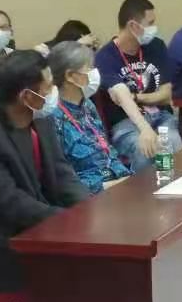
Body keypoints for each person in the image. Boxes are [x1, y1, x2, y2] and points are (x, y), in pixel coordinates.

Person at [0, 50, 88, 293]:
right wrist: (67, 221)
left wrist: (88, 209)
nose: (53, 92)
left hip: (38, 224)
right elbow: (10, 203)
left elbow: (61, 171)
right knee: (87, 275)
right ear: (27, 96)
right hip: (2, 245)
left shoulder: (40, 117)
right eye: (48, 87)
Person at [94, 0, 182, 172]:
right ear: (133, 26)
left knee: (172, 141)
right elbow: (122, 96)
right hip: (127, 122)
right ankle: (142, 190)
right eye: (150, 23)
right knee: (144, 148)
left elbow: (166, 95)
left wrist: (135, 97)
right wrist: (145, 129)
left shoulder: (156, 46)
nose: (154, 28)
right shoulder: (105, 57)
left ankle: (180, 186)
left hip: (161, 116)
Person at [42, 40, 130, 193]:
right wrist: (116, 185)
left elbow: (105, 148)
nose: (95, 72)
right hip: (90, 193)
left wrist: (127, 179)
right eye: (89, 67)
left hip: (118, 178)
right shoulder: (53, 117)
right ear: (70, 76)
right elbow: (63, 180)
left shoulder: (87, 104)